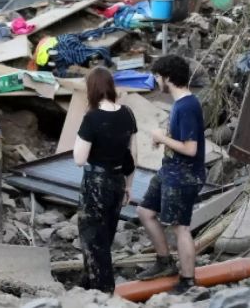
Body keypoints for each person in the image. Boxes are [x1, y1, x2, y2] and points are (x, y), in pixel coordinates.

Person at [136, 55, 205, 294]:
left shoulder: (186, 106)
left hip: (184, 174)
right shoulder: (180, 103)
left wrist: (162, 138)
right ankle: (164, 262)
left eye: (157, 77)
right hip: (170, 169)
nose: (155, 82)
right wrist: (164, 142)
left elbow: (191, 148)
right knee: (145, 212)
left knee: (180, 227)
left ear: (167, 78)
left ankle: (188, 280)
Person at [73, 67, 138, 293]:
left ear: (91, 90)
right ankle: (87, 283)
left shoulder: (91, 118)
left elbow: (79, 159)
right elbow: (133, 154)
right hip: (118, 182)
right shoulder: (128, 113)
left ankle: (103, 292)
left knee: (93, 240)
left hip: (95, 185)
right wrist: (129, 185)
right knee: (105, 238)